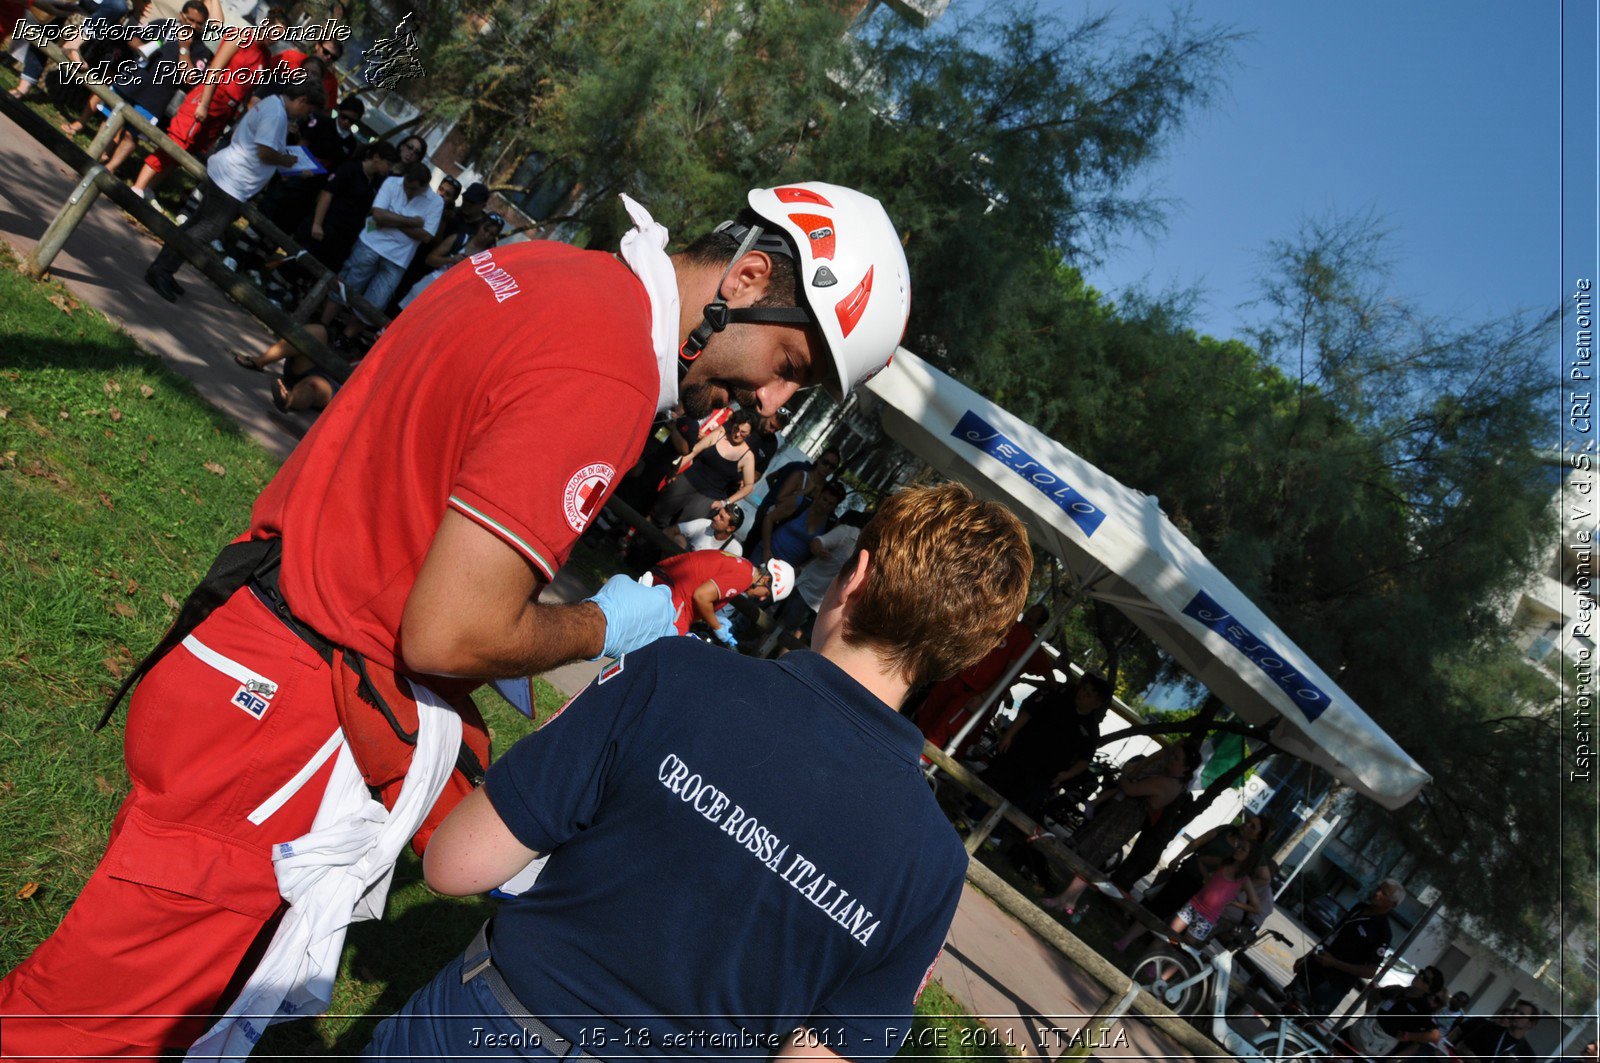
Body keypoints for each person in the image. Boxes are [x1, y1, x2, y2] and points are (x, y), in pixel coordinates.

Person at [0, 180, 913, 1057]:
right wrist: (603, 623)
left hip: (246, 640)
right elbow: (447, 634)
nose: (773, 402)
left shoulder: (552, 269)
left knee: (85, 1007)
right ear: (747, 279)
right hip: (287, 722)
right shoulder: (609, 368)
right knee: (80, 1033)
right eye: (790, 368)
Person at [361, 482, 1035, 1061]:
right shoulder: (933, 863)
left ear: (852, 580)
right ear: (959, 654)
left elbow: (455, 863)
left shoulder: (673, 671)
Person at [143, 79, 325, 302]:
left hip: (229, 175)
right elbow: (265, 152)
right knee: (204, 231)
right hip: (232, 181)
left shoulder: (273, 105)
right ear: (303, 100)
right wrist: (288, 161)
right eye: (309, 109)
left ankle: (165, 267)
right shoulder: (276, 114)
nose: (306, 115)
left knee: (196, 224)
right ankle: (161, 270)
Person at [129, 7, 287, 201]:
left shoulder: (266, 56)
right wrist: (204, 103)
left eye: (280, 36)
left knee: (188, 150)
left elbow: (249, 89)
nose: (275, 38)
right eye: (275, 32)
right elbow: (215, 69)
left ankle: (149, 189)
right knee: (177, 142)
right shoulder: (239, 36)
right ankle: (138, 186)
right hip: (210, 97)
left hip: (226, 109)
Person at [1042, 742, 1194, 916]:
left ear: (1186, 767)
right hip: (1122, 818)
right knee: (1092, 858)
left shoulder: (1166, 782)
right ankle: (1070, 899)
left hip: (1122, 821)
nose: (1170, 760)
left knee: (1092, 858)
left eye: (1176, 758)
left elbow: (1130, 788)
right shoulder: (1174, 783)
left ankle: (1065, 899)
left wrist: (1123, 777)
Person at [1109, 813, 1268, 951]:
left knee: (1177, 930)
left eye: (1253, 827)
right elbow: (1198, 843)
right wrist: (1179, 858)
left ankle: (1153, 952)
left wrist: (1231, 891)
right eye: (1249, 822)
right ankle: (1127, 939)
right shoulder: (1226, 830)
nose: (1247, 825)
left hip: (1203, 895)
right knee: (1157, 908)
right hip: (1187, 876)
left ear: (1258, 837)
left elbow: (1263, 878)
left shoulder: (1251, 855)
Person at [913, 601, 1052, 757]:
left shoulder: (1029, 644)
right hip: (957, 678)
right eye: (1026, 616)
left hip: (976, 694)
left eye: (1031, 620)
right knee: (923, 720)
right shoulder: (1005, 623)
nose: (1025, 620)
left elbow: (1046, 679)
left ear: (1038, 625)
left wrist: (1017, 683)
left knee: (941, 735)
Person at [320, 161, 440, 330]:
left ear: (424, 187)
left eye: (413, 189)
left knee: (374, 303)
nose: (407, 190)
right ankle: (322, 324)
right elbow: (377, 215)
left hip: (398, 259)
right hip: (370, 244)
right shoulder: (392, 182)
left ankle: (345, 337)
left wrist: (390, 218)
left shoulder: (436, 202)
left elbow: (426, 236)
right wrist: (412, 222)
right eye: (406, 185)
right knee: (346, 285)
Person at [1290, 877, 1404, 1018]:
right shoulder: (1359, 908)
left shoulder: (1383, 932)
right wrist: (1308, 957)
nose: (1377, 893)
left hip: (1332, 985)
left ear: (1392, 904)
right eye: (1378, 888)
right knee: (1285, 1008)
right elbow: (1332, 936)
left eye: (1383, 893)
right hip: (1312, 969)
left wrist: (1335, 963)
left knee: (1303, 1024)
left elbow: (1370, 971)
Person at [648, 549, 794, 647]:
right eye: (767, 594)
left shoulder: (745, 566)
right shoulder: (743, 577)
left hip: (667, 586)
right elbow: (701, 596)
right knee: (668, 650)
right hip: (673, 596)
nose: (762, 599)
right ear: (766, 580)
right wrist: (716, 626)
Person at [297, 138, 398, 271]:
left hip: (345, 236)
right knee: (301, 263)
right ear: (376, 157)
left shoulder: (377, 182)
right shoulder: (350, 169)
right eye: (388, 164)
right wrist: (317, 224)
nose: (389, 169)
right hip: (328, 224)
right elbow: (327, 194)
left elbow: (368, 212)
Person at [772, 508, 868, 645]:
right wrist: (819, 549)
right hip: (807, 592)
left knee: (800, 641)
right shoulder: (847, 532)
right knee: (779, 631)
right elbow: (818, 541)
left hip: (828, 605)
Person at [652, 409, 760, 527]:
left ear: (749, 434)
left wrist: (725, 502)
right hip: (688, 479)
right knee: (658, 513)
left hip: (709, 497)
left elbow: (749, 486)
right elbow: (693, 451)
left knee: (681, 528)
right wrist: (674, 471)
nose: (737, 434)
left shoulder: (748, 457)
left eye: (743, 432)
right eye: (736, 428)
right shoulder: (720, 434)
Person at [397, 212, 504, 310]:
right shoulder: (460, 239)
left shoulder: (489, 258)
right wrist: (451, 259)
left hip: (451, 296)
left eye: (492, 234)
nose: (486, 236)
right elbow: (429, 259)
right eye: (485, 229)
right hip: (431, 284)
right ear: (480, 225)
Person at [1343, 966, 1447, 1059]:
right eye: (1421, 972)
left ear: (1429, 989)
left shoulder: (1423, 1010)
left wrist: (1408, 1036)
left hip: (1377, 1048)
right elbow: (1375, 993)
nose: (1420, 977)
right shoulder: (1398, 990)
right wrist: (1368, 1014)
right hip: (1358, 1032)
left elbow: (1434, 1035)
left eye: (1425, 979)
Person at [767, 477, 847, 568]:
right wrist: (766, 549)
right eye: (824, 499)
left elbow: (816, 555)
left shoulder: (831, 523)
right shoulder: (800, 503)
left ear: (835, 506)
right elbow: (769, 519)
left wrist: (800, 569)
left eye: (830, 504)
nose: (825, 505)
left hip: (787, 570)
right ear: (819, 495)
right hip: (768, 554)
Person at [1455, 1000, 1540, 1061]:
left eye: (1522, 1014)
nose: (1515, 1014)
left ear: (1531, 1024)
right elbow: (1461, 1046)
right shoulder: (1489, 1028)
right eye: (1515, 1010)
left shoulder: (1528, 1055)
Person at [671, 502, 745, 556]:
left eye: (721, 518)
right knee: (678, 538)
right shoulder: (705, 523)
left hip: (704, 576)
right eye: (718, 514)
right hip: (683, 564)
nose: (715, 518)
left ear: (730, 528)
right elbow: (672, 530)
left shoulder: (735, 550)